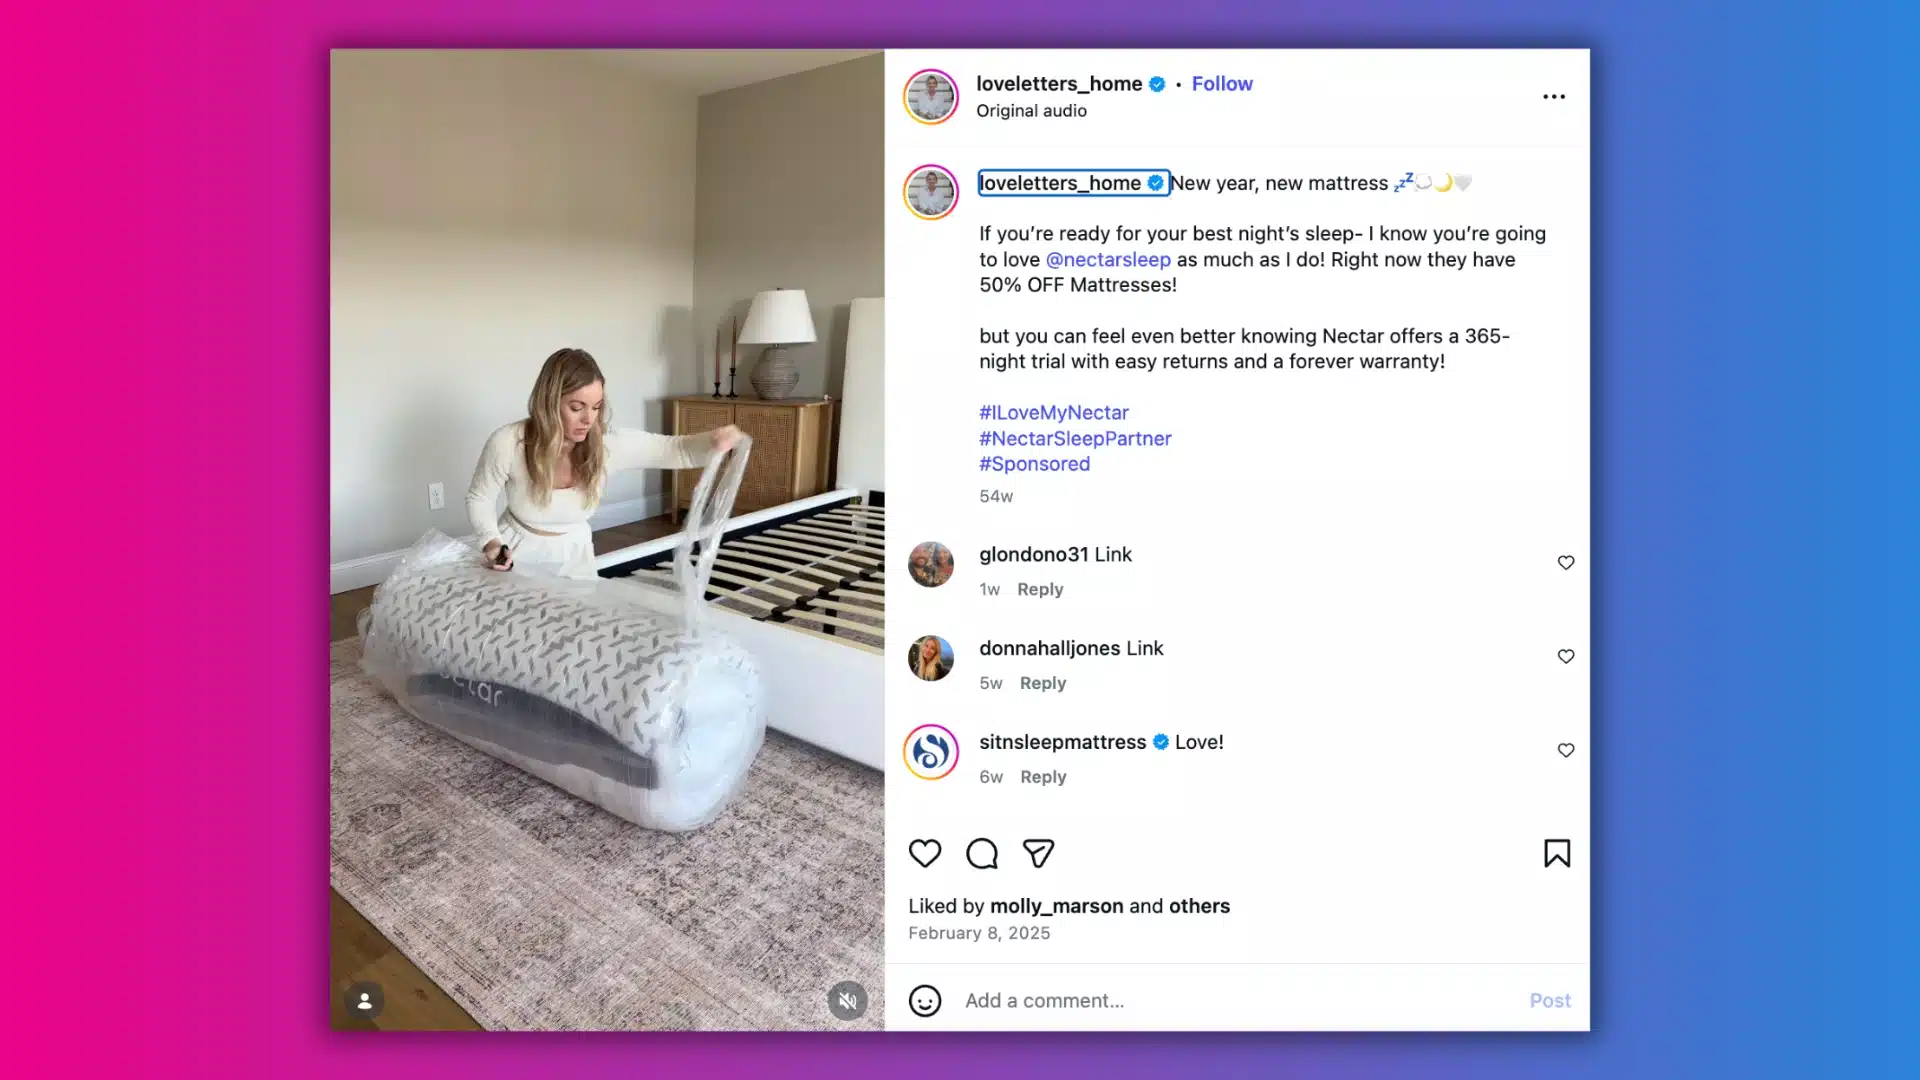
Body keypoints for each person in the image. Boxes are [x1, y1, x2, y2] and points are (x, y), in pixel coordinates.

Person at [466, 347, 742, 579]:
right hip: (515, 552)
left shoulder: (606, 445)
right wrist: (492, 542)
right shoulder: (508, 442)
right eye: (576, 408)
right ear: (548, 403)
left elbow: (676, 450)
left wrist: (713, 442)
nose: (589, 419)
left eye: (596, 407)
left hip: (576, 556)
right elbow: (480, 497)